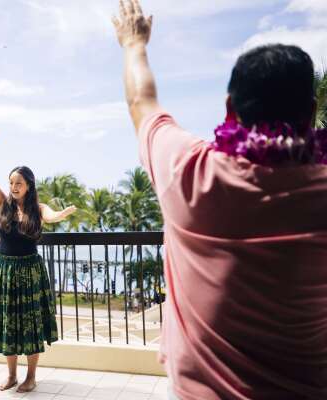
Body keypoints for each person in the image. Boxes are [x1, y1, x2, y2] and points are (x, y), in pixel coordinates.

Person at [112, 1, 327, 398]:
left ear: (230, 108)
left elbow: (142, 103)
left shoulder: (189, 171)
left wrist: (133, 43)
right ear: (312, 113)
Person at [0, 121, 77, 393]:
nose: (13, 186)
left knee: (31, 325)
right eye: (11, 182)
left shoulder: (38, 208)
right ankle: (11, 374)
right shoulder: (2, 203)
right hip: (5, 270)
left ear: (28, 185)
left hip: (30, 270)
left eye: (18, 183)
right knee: (9, 322)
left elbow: (51, 216)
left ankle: (31, 376)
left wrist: (61, 215)